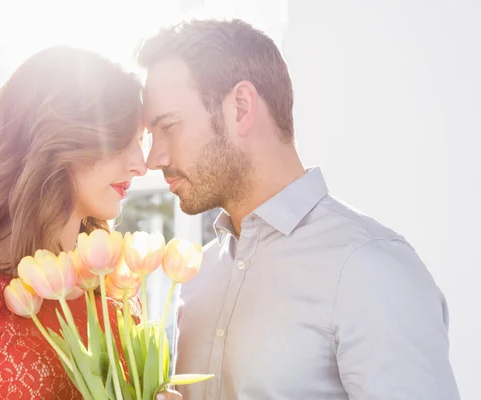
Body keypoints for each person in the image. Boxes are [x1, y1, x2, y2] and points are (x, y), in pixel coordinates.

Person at [138, 19, 460, 399]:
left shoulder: (368, 268)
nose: (152, 159)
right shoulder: (199, 276)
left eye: (169, 127)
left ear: (241, 107)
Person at [0, 46, 180, 400]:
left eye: (140, 142)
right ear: (55, 141)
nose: (140, 165)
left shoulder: (115, 295)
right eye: (121, 141)